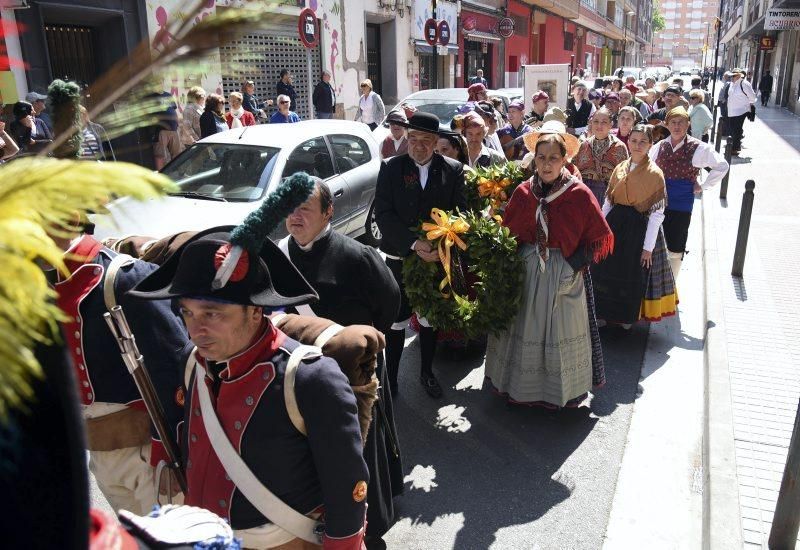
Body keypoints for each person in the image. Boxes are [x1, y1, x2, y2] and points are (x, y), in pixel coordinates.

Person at [128, 222, 371, 549]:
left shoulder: (309, 379)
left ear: (256, 311)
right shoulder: (192, 360)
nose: (196, 330)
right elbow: (177, 423)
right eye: (187, 313)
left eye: (212, 314)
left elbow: (346, 492)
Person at [280, 180, 404, 550]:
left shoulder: (358, 256)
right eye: (290, 208)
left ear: (328, 212)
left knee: (359, 447)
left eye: (305, 208)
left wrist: (362, 349)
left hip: (354, 373)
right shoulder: (277, 257)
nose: (295, 216)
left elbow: (390, 301)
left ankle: (370, 517)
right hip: (301, 372)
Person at [50, 229, 187, 516]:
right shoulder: (43, 283)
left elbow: (176, 370)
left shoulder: (124, 278)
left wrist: (170, 451)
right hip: (101, 451)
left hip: (149, 452)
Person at [485, 132, 613, 409]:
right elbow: (510, 231)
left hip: (563, 269)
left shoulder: (579, 194)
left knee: (559, 329)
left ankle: (559, 391)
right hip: (527, 269)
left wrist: (572, 267)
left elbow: (597, 237)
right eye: (541, 157)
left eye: (553, 158)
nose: (546, 164)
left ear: (565, 160)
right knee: (524, 324)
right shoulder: (523, 192)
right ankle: (520, 387)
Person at [374, 112, 467, 398]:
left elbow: (460, 215)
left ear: (436, 141)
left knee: (429, 319)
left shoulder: (453, 169)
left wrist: (438, 247)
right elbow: (384, 214)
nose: (418, 145)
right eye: (413, 139)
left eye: (426, 140)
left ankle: (427, 373)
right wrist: (414, 244)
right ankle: (391, 379)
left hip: (436, 261)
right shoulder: (391, 168)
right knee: (396, 320)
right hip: (399, 258)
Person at [592, 124, 677, 328]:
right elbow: (608, 202)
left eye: (643, 142)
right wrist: (600, 230)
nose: (637, 145)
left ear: (650, 144)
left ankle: (625, 316)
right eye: (634, 140)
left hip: (637, 227)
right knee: (605, 270)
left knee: (629, 273)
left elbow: (657, 215)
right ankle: (602, 312)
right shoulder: (621, 167)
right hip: (615, 224)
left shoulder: (655, 174)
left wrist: (648, 248)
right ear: (628, 141)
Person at [649, 106, 729, 280]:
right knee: (654, 241)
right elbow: (648, 167)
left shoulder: (698, 148)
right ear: (667, 124)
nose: (677, 126)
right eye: (673, 122)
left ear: (688, 124)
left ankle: (671, 283)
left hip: (681, 204)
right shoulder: (660, 146)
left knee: (676, 244)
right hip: (658, 202)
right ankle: (655, 281)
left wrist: (703, 185)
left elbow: (722, 166)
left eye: (681, 122)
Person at [574, 107, 629, 205]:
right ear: (591, 123)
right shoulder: (583, 145)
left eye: (604, 122)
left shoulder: (619, 147)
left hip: (608, 196)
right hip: (584, 195)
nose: (599, 125)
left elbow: (624, 177)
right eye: (596, 121)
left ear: (611, 125)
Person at [726, 68, 756, 155]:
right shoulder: (732, 84)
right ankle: (735, 145)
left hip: (741, 111)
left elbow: (752, 97)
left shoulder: (745, 84)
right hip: (731, 111)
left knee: (736, 129)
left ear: (739, 75)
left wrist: (747, 104)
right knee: (732, 129)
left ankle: (735, 148)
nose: (732, 77)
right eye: (732, 75)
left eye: (734, 75)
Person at [151, 91, 184, 170]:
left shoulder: (168, 95)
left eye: (161, 80)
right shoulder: (151, 96)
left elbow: (173, 109)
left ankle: (179, 174)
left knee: (177, 154)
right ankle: (160, 175)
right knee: (160, 155)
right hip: (160, 130)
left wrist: (177, 122)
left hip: (173, 129)